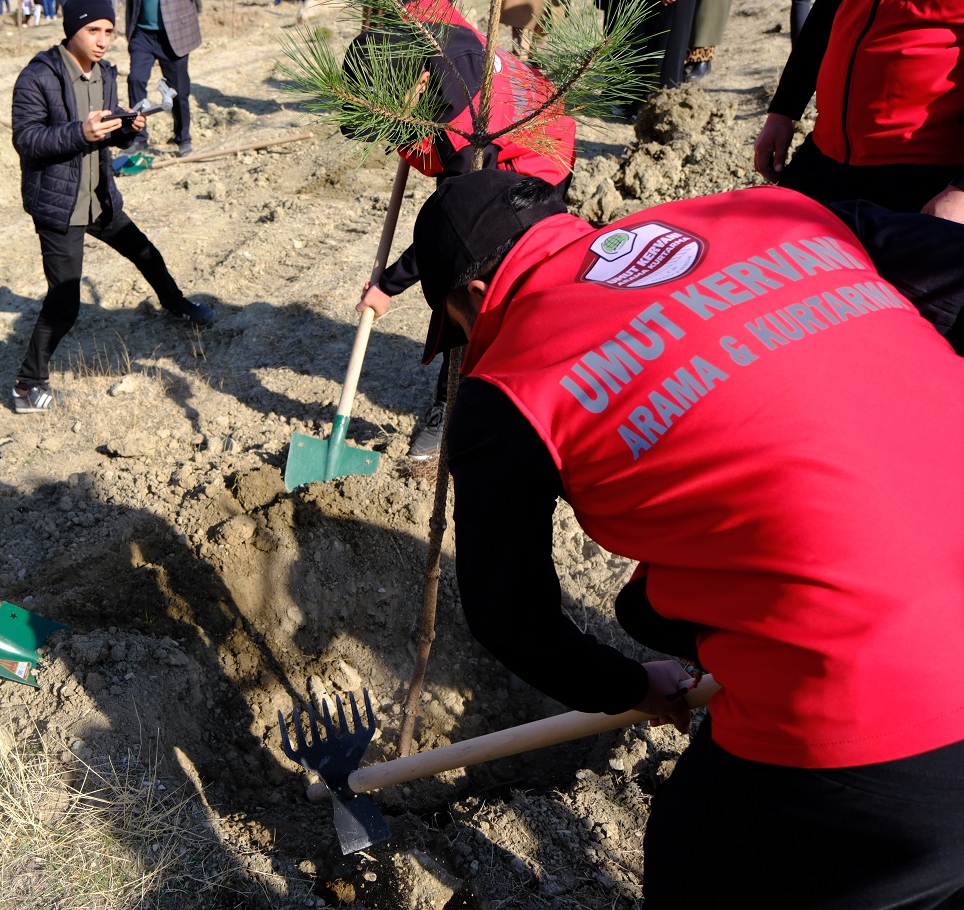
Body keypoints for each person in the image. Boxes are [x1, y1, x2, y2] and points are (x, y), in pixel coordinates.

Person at [415, 167, 964, 907]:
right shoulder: (779, 213)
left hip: (875, 725)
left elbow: (509, 618)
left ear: (476, 297)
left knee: (696, 862)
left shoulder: (512, 386)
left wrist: (632, 685)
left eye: (456, 329)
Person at [345, 0, 577, 458]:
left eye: (386, 112)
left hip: (536, 155)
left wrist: (388, 286)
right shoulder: (424, 23)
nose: (383, 127)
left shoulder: (463, 130)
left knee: (468, 286)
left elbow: (457, 230)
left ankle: (449, 405)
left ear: (422, 81)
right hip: (492, 119)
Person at [10, 0, 213, 413]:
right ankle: (25, 386)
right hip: (59, 205)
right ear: (72, 30)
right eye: (93, 32)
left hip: (99, 197)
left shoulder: (105, 74)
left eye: (109, 32)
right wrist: (79, 132)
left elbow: (106, 137)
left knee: (145, 253)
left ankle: (176, 306)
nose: (102, 41)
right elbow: (27, 140)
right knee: (64, 302)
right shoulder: (38, 76)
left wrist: (127, 128)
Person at [753, 0, 964, 216]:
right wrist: (782, 112)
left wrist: (960, 190)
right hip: (824, 155)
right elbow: (823, 18)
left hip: (917, 171)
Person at [123, 0, 198, 157]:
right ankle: (139, 138)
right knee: (136, 79)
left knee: (178, 89)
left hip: (174, 34)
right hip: (142, 33)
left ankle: (183, 138)